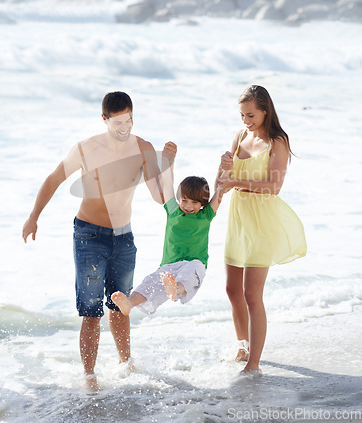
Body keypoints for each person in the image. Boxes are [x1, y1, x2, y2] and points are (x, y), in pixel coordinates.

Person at [22, 91, 167, 391]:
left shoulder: (142, 148)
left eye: (128, 120)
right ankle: (89, 377)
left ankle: (126, 365)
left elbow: (159, 196)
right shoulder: (86, 148)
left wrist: (168, 164)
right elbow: (54, 179)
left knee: (120, 306)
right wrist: (33, 215)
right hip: (89, 236)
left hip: (124, 237)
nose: (124, 127)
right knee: (90, 311)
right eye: (117, 122)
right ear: (104, 119)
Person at [216, 85, 307, 377]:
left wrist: (236, 184)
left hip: (262, 221)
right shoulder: (240, 136)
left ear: (265, 110)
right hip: (238, 219)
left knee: (251, 294)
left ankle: (253, 363)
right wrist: (223, 168)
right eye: (242, 115)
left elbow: (274, 186)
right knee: (232, 290)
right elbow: (224, 181)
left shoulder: (277, 141)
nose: (245, 120)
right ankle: (241, 345)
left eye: (251, 114)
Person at [111, 148, 223, 317]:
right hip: (169, 265)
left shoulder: (206, 215)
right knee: (150, 282)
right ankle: (129, 302)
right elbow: (167, 183)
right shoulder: (173, 210)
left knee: (189, 274)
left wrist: (226, 170)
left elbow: (220, 193)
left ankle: (176, 289)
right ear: (179, 198)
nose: (188, 206)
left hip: (195, 262)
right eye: (184, 200)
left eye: (195, 202)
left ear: (203, 204)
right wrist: (169, 160)